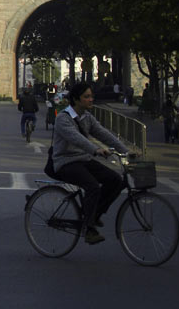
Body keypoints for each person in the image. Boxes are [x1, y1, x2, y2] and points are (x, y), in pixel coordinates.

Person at [51, 81, 129, 245]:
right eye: (87, 97)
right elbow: (76, 138)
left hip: (84, 160)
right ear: (76, 100)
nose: (91, 99)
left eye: (91, 96)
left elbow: (104, 134)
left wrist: (126, 151)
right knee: (93, 186)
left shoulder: (87, 117)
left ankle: (92, 216)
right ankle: (89, 228)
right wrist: (96, 149)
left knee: (115, 180)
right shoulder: (63, 118)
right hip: (66, 162)